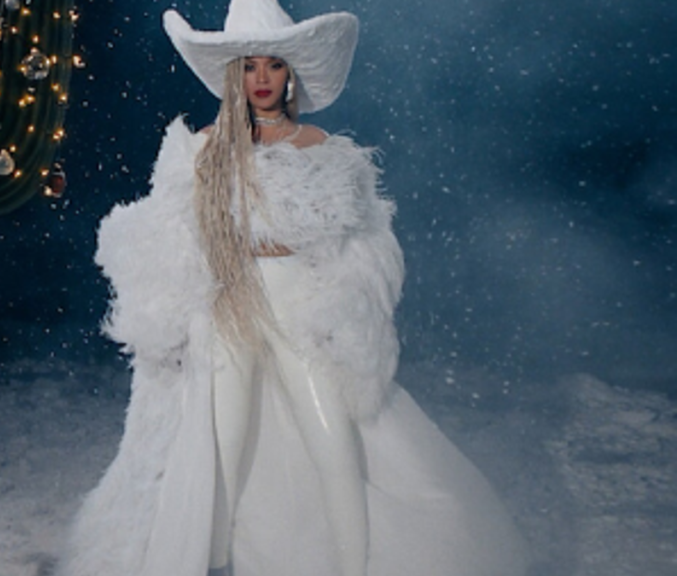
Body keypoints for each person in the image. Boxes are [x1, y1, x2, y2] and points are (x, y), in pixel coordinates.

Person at [61, 1, 529, 575]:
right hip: (227, 303)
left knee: (331, 439)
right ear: (234, 74)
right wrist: (170, 311)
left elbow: (362, 245)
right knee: (221, 444)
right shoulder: (202, 147)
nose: (261, 79)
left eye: (274, 65)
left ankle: (351, 565)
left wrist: (349, 313)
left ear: (290, 74)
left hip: (298, 304)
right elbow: (166, 231)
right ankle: (214, 562)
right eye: (249, 66)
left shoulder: (320, 146)